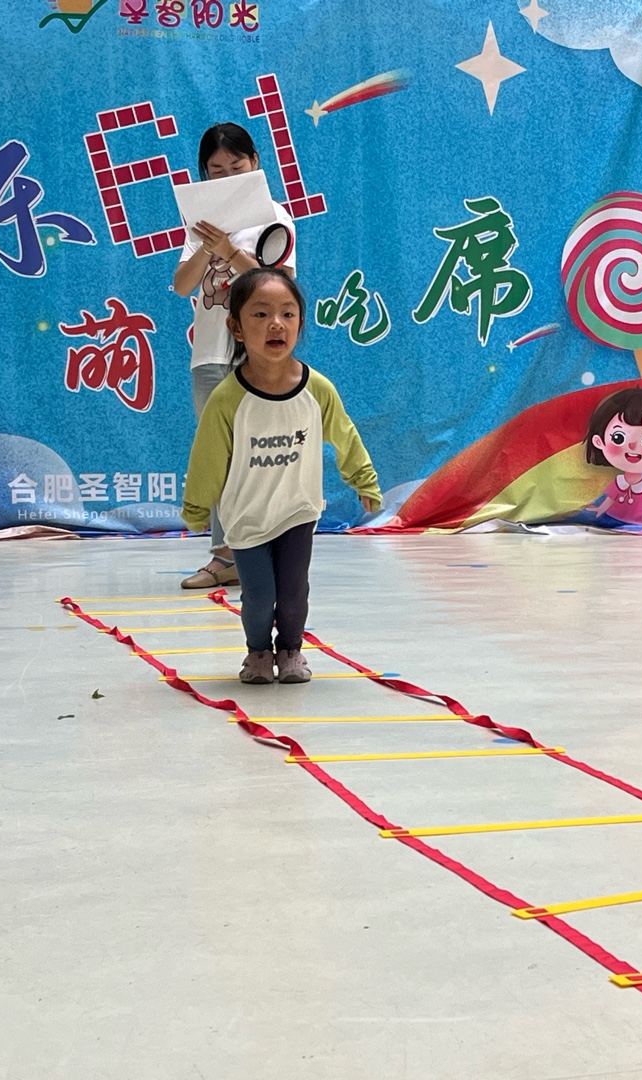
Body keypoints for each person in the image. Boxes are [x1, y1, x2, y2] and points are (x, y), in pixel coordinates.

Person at [183, 269, 381, 684]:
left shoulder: (317, 389)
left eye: (287, 314)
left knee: (293, 593)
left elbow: (345, 436)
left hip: (297, 511)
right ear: (236, 328)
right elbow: (207, 458)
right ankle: (257, 653)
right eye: (261, 314)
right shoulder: (227, 398)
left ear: (299, 324)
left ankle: (291, 650)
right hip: (247, 517)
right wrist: (196, 507)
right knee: (258, 597)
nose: (276, 324)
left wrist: (364, 479)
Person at [174, 122, 297, 590]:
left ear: (255, 164)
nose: (227, 176)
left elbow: (279, 285)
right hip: (209, 353)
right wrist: (210, 245)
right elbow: (182, 285)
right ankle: (224, 556)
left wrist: (229, 250)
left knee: (260, 454)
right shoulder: (201, 223)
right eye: (216, 169)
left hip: (261, 356)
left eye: (236, 166)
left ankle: (258, 554)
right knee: (218, 456)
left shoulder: (274, 217)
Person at [583, 387, 642, 530]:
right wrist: (599, 510)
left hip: (638, 528)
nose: (632, 446)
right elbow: (610, 500)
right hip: (608, 522)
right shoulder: (618, 482)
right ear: (598, 441)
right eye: (618, 438)